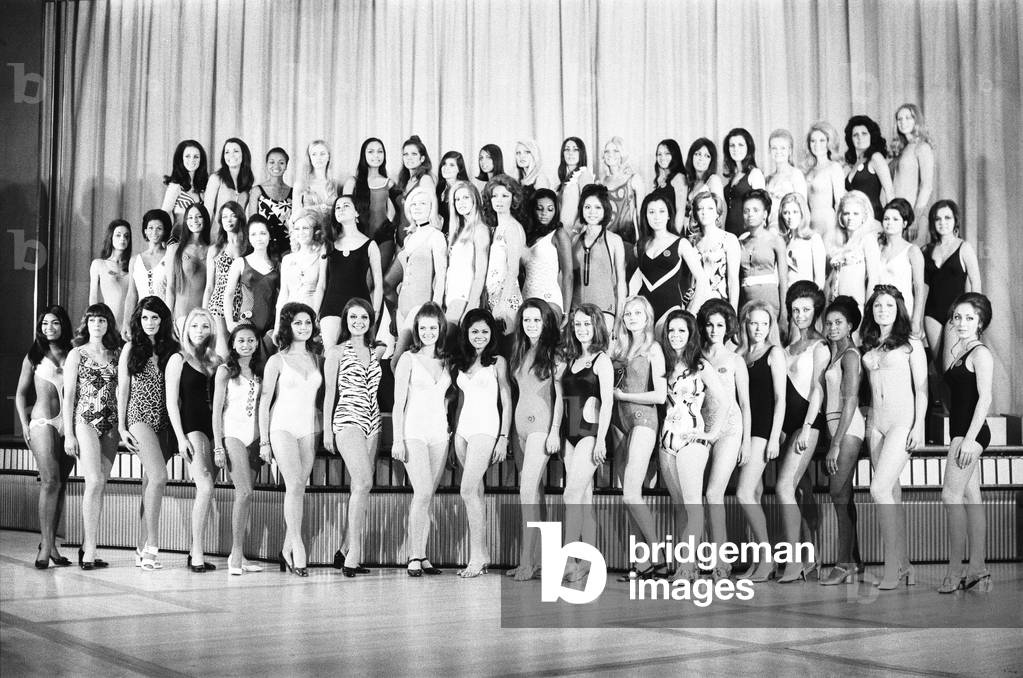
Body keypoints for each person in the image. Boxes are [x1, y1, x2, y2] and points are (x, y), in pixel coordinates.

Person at [860, 284, 927, 590]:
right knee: (893, 496)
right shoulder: (868, 345)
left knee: (878, 490)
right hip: (876, 423)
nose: (882, 310)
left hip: (903, 422)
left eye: (888, 305)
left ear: (897, 308)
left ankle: (890, 568)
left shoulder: (911, 343)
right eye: (877, 306)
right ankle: (905, 566)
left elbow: (922, 389)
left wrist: (919, 426)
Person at [658, 309, 729, 581]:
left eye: (681, 331)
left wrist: (711, 435)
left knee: (692, 505)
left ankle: (686, 567)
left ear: (690, 335)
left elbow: (723, 401)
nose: (676, 335)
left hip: (692, 439)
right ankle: (691, 565)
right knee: (680, 508)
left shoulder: (700, 366)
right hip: (667, 441)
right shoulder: (663, 364)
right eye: (671, 331)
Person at [260, 302, 322, 577]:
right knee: (295, 483)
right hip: (281, 426)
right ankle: (298, 547)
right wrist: (263, 440)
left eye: (308, 322)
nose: (304, 327)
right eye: (298, 322)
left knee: (299, 488)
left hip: (308, 428)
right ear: (288, 326)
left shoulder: (316, 358)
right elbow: (265, 400)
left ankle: (286, 549)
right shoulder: (277, 360)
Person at [323, 299, 384, 577]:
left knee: (361, 488)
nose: (358, 321)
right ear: (346, 320)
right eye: (353, 317)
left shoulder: (376, 351)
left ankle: (345, 548)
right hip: (348, 417)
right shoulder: (335, 352)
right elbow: (329, 394)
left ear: (370, 320)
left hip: (374, 420)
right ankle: (354, 556)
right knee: (363, 482)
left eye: (364, 317)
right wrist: (326, 429)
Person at [116, 297, 178, 571]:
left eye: (155, 318)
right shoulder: (131, 348)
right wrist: (121, 426)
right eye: (145, 318)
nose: (150, 323)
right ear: (138, 321)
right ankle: (153, 545)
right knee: (160, 476)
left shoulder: (173, 350)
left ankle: (140, 547)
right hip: (138, 418)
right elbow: (123, 390)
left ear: (163, 319)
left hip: (164, 422)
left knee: (149, 485)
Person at [450, 309, 513, 577]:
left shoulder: (498, 361)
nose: (479, 336)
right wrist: (454, 433)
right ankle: (483, 554)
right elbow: (458, 400)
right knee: (475, 493)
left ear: (492, 334)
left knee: (466, 490)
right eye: (474, 331)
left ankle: (476, 557)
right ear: (467, 333)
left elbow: (506, 401)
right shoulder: (461, 362)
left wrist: (503, 437)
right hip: (463, 431)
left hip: (486, 431)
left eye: (485, 331)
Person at [775, 281, 830, 583]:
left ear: (815, 311)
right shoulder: (787, 348)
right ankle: (811, 558)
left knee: (784, 488)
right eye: (795, 309)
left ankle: (794, 562)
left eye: (805, 309)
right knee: (798, 491)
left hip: (807, 424)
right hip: (788, 427)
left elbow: (817, 391)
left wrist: (808, 428)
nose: (799, 315)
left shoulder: (819, 347)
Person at [938, 293, 994, 593]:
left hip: (969, 434)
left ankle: (955, 572)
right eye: (957, 317)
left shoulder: (980, 353)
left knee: (950, 497)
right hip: (961, 431)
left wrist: (970, 440)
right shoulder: (961, 349)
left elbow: (985, 398)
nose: (962, 322)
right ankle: (978, 569)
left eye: (969, 318)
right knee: (972, 500)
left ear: (981, 322)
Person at [391, 303, 450, 577]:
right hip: (413, 432)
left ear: (441, 328)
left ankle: (423, 554)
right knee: (423, 492)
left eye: (433, 327)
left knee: (429, 497)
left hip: (440, 433)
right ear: (416, 330)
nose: (428, 332)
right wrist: (397, 439)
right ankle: (413, 556)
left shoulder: (447, 360)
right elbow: (397, 403)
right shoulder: (408, 359)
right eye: (423, 327)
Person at [507, 299, 564, 581]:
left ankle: (526, 562)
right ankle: (539, 560)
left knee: (526, 492)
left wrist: (554, 430)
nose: (531, 325)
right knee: (535, 496)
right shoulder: (519, 350)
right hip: (521, 429)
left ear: (546, 322)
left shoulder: (554, 352)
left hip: (541, 428)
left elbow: (561, 398)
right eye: (526, 320)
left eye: (536, 320)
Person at [612, 297, 668, 579]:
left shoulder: (653, 348)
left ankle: (658, 557)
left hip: (644, 419)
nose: (632, 317)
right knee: (628, 497)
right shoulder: (619, 347)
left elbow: (660, 395)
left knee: (631, 493)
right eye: (628, 313)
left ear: (647, 317)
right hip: (619, 423)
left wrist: (624, 396)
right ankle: (641, 563)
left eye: (638, 313)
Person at [14, 305, 75, 569]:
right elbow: (20, 393)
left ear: (63, 325)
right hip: (42, 421)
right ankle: (45, 547)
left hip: (69, 425)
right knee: (49, 481)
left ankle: (50, 546)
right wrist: (25, 424)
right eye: (45, 324)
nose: (49, 328)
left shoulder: (74, 352)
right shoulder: (34, 355)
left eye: (55, 323)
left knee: (60, 483)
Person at [62, 303, 122, 570]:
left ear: (109, 324)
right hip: (85, 420)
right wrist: (68, 433)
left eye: (102, 320)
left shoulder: (116, 354)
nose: (97, 325)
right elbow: (69, 395)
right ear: (86, 324)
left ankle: (88, 546)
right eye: (93, 320)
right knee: (94, 480)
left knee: (100, 485)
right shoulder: (77, 354)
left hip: (111, 424)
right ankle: (89, 552)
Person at [560, 303, 615, 582]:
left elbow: (607, 402)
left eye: (586, 324)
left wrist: (601, 440)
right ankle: (590, 560)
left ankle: (569, 560)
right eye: (577, 324)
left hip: (590, 433)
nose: (582, 329)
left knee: (570, 495)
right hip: (570, 435)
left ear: (596, 326)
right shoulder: (570, 360)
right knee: (583, 499)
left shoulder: (601, 360)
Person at [697, 298, 751, 580]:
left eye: (719, 325)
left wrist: (747, 442)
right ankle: (704, 557)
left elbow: (745, 404)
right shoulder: (697, 357)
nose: (714, 329)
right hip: (703, 430)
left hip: (730, 429)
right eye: (709, 324)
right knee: (698, 495)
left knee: (713, 493)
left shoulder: (735, 360)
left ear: (727, 327)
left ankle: (722, 562)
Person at [165, 307, 220, 573]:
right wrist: (179, 437)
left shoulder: (216, 360)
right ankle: (196, 552)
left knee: (209, 490)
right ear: (187, 329)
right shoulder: (178, 359)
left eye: (205, 326)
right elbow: (171, 401)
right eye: (195, 326)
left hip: (214, 429)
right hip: (191, 428)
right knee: (206, 487)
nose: (200, 331)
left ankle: (195, 551)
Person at [734, 301, 786, 581]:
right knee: (753, 495)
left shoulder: (774, 352)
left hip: (763, 430)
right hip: (744, 429)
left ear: (770, 327)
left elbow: (780, 398)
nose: (758, 328)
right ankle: (759, 562)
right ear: (746, 324)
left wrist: (775, 436)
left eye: (764, 323)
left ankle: (766, 559)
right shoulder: (740, 353)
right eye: (753, 323)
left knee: (743, 494)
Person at [818, 296, 866, 585]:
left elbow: (850, 401)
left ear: (850, 326)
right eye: (829, 322)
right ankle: (855, 560)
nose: (832, 327)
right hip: (836, 426)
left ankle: (843, 563)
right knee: (844, 497)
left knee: (837, 494)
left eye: (839, 323)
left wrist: (835, 444)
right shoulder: (834, 354)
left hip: (847, 429)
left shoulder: (849, 355)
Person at [211, 323, 266, 576]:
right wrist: (218, 446)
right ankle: (235, 556)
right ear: (233, 343)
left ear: (257, 344)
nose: (246, 345)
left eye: (251, 340)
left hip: (254, 438)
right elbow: (217, 411)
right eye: (241, 340)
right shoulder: (225, 371)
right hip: (232, 435)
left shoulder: (259, 372)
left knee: (248, 495)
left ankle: (240, 554)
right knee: (243, 492)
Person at [921, 200, 982, 373]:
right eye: (937, 219)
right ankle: (942, 401)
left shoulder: (964, 247)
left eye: (947, 217)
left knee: (951, 367)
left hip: (956, 313)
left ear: (955, 220)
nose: (942, 222)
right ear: (933, 223)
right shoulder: (925, 250)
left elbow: (976, 281)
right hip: (931, 315)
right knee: (939, 368)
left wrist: (975, 315)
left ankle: (954, 401)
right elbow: (923, 287)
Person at [631, 191, 706, 323]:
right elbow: (636, 280)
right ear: (645, 215)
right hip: (643, 312)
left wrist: (691, 313)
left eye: (661, 211)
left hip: (670, 310)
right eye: (651, 212)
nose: (657, 217)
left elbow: (702, 280)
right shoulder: (640, 245)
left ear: (668, 215)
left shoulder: (681, 243)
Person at [320, 195, 382, 350]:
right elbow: (321, 284)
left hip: (360, 308)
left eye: (346, 205)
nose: (341, 209)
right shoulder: (328, 245)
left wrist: (374, 313)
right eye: (337, 207)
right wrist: (315, 312)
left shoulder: (370, 245)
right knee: (331, 356)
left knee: (356, 360)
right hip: (331, 307)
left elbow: (379, 285)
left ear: (356, 213)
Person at [393, 187, 447, 363]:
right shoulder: (409, 237)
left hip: (421, 305)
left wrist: (436, 308)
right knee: (406, 360)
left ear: (431, 207)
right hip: (403, 304)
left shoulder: (436, 236)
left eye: (423, 203)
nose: (417, 207)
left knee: (399, 359)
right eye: (413, 204)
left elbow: (441, 275)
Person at [572, 184, 627, 329]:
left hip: (604, 311)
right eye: (587, 207)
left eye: (598, 207)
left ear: (605, 210)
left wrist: (619, 320)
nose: (592, 212)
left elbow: (621, 283)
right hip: (577, 311)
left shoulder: (614, 240)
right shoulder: (574, 239)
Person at [223, 216, 280, 352]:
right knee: (245, 363)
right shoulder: (240, 262)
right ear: (249, 237)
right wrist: (229, 322)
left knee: (265, 365)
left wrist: (278, 326)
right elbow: (228, 294)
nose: (259, 238)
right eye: (254, 234)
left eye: (263, 233)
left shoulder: (278, 265)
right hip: (246, 322)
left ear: (269, 235)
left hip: (271, 326)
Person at [482, 174, 527, 336]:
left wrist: (502, 304)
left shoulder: (512, 228)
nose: (499, 200)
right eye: (495, 196)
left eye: (504, 196)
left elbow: (513, 270)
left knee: (507, 345)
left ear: (513, 199)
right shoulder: (497, 228)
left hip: (506, 298)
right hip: (493, 296)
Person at [444, 181, 492, 331]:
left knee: (444, 342)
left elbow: (480, 274)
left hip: (464, 297)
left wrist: (471, 306)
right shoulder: (459, 231)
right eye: (457, 199)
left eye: (465, 197)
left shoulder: (480, 230)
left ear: (475, 199)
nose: (461, 203)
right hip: (452, 295)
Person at [344, 138, 397, 271]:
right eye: (371, 151)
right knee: (364, 285)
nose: (376, 155)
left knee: (379, 282)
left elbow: (403, 208)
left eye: (380, 152)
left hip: (385, 239)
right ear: (364, 155)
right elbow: (343, 212)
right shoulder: (352, 182)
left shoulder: (389, 183)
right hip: (359, 238)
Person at [203, 201, 248, 356]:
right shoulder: (215, 249)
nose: (228, 220)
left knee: (241, 351)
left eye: (233, 216)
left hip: (243, 304)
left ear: (240, 218)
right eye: (224, 217)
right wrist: (203, 313)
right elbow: (209, 286)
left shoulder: (249, 247)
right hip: (219, 303)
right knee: (223, 351)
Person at [825, 190, 880, 311]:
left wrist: (868, 309)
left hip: (856, 306)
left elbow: (874, 278)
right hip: (835, 305)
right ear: (841, 216)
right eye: (846, 213)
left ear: (864, 217)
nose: (850, 218)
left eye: (856, 214)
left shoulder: (868, 239)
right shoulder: (839, 241)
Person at [878, 198, 926, 335]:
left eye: (895, 219)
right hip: (881, 312)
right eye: (886, 219)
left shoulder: (912, 250)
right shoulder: (878, 249)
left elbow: (919, 288)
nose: (890, 223)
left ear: (904, 223)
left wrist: (916, 319)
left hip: (903, 312)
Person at [738, 189, 788, 319]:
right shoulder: (740, 242)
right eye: (746, 211)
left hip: (770, 304)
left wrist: (783, 315)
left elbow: (783, 280)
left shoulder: (775, 241)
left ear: (765, 214)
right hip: (746, 304)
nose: (750, 215)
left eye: (755, 210)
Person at [523, 188, 573, 318]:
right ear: (533, 209)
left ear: (556, 211)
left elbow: (568, 275)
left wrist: (566, 312)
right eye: (540, 208)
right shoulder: (526, 235)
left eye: (550, 209)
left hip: (549, 298)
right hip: (526, 296)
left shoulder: (559, 234)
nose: (544, 213)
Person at [598, 137, 645, 274]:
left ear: (622, 154)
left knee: (625, 282)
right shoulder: (600, 182)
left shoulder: (633, 179)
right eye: (607, 151)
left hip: (627, 241)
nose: (610, 154)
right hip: (604, 242)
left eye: (615, 151)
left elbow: (640, 214)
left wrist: (641, 241)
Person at [889, 104, 935, 243]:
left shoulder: (922, 147)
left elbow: (926, 186)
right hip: (897, 215)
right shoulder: (902, 149)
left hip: (913, 216)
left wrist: (914, 218)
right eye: (899, 119)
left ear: (916, 121)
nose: (903, 122)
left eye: (908, 118)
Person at [275, 207, 327, 329]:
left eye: (305, 228)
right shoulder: (287, 259)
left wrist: (312, 319)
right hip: (289, 314)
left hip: (311, 310)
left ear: (315, 231)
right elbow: (283, 293)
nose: (301, 232)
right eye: (297, 229)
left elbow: (321, 287)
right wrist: (277, 325)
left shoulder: (321, 256)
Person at [123, 209, 171, 336]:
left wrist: (171, 320)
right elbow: (131, 294)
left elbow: (173, 291)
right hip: (141, 320)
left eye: (159, 228)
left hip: (164, 319)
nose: (154, 232)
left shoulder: (170, 257)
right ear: (145, 231)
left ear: (165, 231)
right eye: (150, 228)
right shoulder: (135, 260)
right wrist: (126, 322)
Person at [166, 202, 212, 328]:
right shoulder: (175, 249)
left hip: (205, 317)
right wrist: (168, 319)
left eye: (199, 216)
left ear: (205, 219)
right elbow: (170, 287)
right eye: (190, 217)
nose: (194, 220)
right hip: (182, 316)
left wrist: (206, 316)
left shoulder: (213, 250)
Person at [692, 190, 740, 310]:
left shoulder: (729, 239)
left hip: (718, 303)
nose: (704, 212)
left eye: (710, 208)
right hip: (694, 304)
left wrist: (732, 312)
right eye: (700, 208)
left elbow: (733, 281)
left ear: (717, 213)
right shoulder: (690, 242)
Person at [844, 115, 893, 224]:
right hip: (855, 220)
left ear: (872, 136)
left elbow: (890, 192)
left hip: (873, 218)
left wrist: (890, 221)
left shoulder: (876, 157)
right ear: (850, 139)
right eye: (855, 135)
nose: (860, 137)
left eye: (864, 133)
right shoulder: (854, 163)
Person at [803, 121, 846, 246]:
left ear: (829, 143)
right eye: (813, 141)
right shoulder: (808, 171)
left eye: (822, 140)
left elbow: (840, 202)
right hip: (811, 224)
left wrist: (840, 230)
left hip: (829, 224)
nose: (817, 145)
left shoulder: (834, 167)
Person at [722, 127, 765, 238]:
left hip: (747, 235)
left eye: (740, 145)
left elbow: (761, 207)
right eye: (732, 145)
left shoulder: (755, 174)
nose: (736, 149)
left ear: (748, 148)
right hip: (730, 234)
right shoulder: (732, 176)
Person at [249, 147, 293, 255]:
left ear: (286, 166)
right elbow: (252, 223)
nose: (276, 166)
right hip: (263, 247)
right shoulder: (257, 191)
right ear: (266, 165)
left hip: (288, 248)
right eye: (272, 162)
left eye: (281, 162)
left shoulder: (293, 192)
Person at [205, 138, 255, 233]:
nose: (231, 155)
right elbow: (207, 211)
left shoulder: (248, 182)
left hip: (239, 238)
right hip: (217, 236)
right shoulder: (216, 178)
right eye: (227, 152)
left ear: (243, 155)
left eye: (235, 151)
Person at [161, 139, 208, 239]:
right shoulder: (175, 186)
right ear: (180, 159)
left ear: (201, 160)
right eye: (187, 156)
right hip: (179, 240)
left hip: (199, 242)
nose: (192, 160)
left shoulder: (203, 189)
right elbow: (163, 216)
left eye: (196, 156)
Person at [89, 219, 132, 327]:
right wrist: (96, 322)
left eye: (126, 236)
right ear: (110, 237)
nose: (123, 239)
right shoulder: (99, 264)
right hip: (107, 323)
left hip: (129, 323)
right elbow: (93, 297)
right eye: (118, 235)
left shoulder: (133, 264)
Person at [779, 192, 826, 289]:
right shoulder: (783, 242)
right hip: (787, 297)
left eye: (795, 212)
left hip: (807, 296)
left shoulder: (814, 239)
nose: (790, 217)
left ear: (802, 213)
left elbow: (820, 282)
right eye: (786, 212)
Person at [765, 129, 808, 231]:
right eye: (774, 148)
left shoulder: (796, 175)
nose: (778, 152)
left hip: (789, 229)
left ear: (790, 151)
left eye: (782, 148)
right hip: (770, 229)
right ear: (769, 151)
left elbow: (802, 208)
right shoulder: (768, 178)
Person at [292, 139, 339, 213]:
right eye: (314, 154)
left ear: (329, 157)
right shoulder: (300, 184)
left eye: (322, 154)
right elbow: (295, 214)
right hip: (306, 224)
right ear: (309, 158)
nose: (318, 158)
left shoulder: (336, 184)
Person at [556, 137, 594, 229]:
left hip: (574, 233)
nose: (570, 153)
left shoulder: (584, 175)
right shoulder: (566, 177)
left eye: (575, 149)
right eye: (567, 149)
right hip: (563, 231)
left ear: (581, 153)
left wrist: (576, 232)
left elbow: (588, 207)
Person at [651, 138, 688, 232]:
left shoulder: (679, 178)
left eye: (667, 153)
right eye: (659, 154)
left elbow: (680, 211)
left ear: (674, 155)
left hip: (672, 234)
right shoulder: (661, 180)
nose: (662, 157)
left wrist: (674, 239)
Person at [684, 138, 725, 220]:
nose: (701, 158)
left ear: (711, 161)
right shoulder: (690, 182)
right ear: (691, 156)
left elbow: (719, 215)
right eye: (698, 154)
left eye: (707, 156)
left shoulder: (713, 180)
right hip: (689, 231)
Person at [436, 151, 471, 235]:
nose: (446, 168)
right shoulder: (440, 188)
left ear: (459, 169)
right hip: (443, 234)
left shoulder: (464, 188)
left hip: (460, 234)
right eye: (444, 164)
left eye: (451, 165)